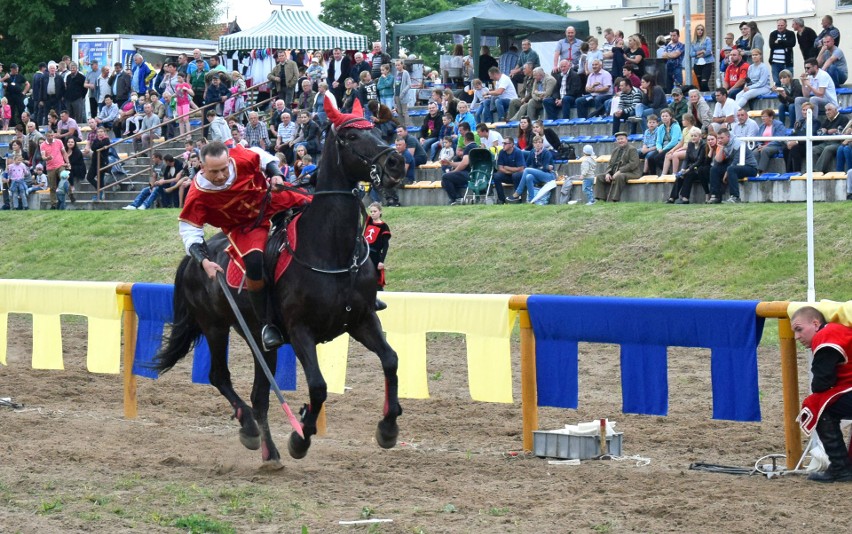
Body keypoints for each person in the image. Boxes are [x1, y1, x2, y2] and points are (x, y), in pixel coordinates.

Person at [178, 141, 310, 351]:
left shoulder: (242, 157)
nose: (221, 175)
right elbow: (190, 232)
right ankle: (267, 325)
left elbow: (264, 158)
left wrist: (276, 174)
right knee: (254, 263)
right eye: (214, 172)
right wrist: (204, 262)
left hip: (271, 199)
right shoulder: (197, 195)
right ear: (202, 167)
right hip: (245, 227)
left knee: (322, 208)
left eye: (224, 169)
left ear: (229, 160)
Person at [791, 306, 852, 483]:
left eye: (799, 329)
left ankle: (841, 468)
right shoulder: (838, 331)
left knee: (816, 405)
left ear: (816, 324)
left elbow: (821, 382)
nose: (797, 337)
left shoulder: (825, 336)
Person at [709, 127, 756, 204]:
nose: (720, 140)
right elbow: (717, 161)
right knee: (714, 169)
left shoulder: (737, 143)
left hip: (750, 168)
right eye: (718, 138)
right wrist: (721, 147)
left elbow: (735, 162)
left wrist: (726, 173)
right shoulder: (724, 144)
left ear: (728, 137)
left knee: (731, 169)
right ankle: (715, 196)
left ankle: (735, 197)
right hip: (734, 167)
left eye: (722, 138)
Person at [593, 131, 641, 202]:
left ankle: (614, 199)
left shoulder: (632, 149)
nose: (620, 141)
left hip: (632, 173)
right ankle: (600, 199)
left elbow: (633, 164)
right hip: (615, 172)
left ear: (626, 139)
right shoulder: (615, 150)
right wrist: (608, 173)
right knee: (600, 177)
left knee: (619, 176)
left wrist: (620, 171)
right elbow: (610, 164)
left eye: (622, 139)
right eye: (618, 139)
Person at [506, 135, 555, 204]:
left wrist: (537, 169)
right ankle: (531, 200)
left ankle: (518, 192)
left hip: (549, 175)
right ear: (533, 144)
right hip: (539, 174)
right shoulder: (532, 152)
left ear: (542, 143)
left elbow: (545, 169)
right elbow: (527, 164)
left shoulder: (546, 153)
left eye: (539, 142)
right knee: (529, 177)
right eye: (535, 142)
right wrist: (539, 168)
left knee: (527, 170)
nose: (538, 144)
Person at [672, 130, 715, 204]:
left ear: (700, 137)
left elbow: (700, 161)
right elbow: (686, 159)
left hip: (699, 168)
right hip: (692, 167)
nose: (693, 137)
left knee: (688, 174)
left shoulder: (703, 145)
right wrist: (683, 169)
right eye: (692, 136)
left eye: (695, 136)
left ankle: (685, 198)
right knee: (680, 176)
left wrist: (688, 169)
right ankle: (672, 197)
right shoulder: (690, 144)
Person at [795, 57, 838, 121]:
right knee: (798, 99)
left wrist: (809, 85)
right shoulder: (810, 76)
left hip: (829, 102)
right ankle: (799, 123)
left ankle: (813, 122)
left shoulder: (823, 75)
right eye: (805, 68)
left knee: (813, 99)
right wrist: (803, 83)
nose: (806, 70)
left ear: (815, 67)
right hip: (818, 102)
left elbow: (820, 94)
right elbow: (806, 95)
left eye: (808, 68)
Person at [440, 131, 477, 205]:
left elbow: (464, 163)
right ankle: (458, 197)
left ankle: (455, 199)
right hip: (474, 174)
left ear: (465, 139)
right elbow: (463, 163)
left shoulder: (468, 148)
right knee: (444, 182)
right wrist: (450, 163)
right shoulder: (476, 146)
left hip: (469, 174)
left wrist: (454, 171)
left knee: (445, 177)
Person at [784, 101, 820, 173]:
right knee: (785, 149)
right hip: (800, 143)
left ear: (811, 111)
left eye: (807, 110)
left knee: (795, 148)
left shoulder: (816, 122)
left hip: (809, 144)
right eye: (803, 110)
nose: (804, 112)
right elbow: (794, 133)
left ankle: (797, 171)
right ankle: (788, 172)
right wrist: (789, 141)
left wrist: (796, 142)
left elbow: (811, 133)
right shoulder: (800, 121)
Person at [39, 130, 70, 210]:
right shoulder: (42, 145)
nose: (50, 137)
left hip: (60, 165)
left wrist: (68, 162)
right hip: (50, 167)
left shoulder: (59, 142)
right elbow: (43, 157)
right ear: (46, 136)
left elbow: (64, 152)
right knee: (52, 187)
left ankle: (62, 202)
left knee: (63, 181)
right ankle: (53, 204)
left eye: (52, 135)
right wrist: (47, 158)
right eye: (49, 136)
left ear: (53, 135)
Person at [364, 202, 391, 290]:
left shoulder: (384, 226)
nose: (372, 213)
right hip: (364, 253)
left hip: (375, 255)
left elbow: (385, 245)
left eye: (375, 211)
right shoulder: (369, 221)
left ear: (380, 212)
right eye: (371, 211)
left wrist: (381, 261)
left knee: (376, 279)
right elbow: (362, 211)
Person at [491, 136, 525, 204]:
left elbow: (521, 168)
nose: (503, 145)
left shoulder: (518, 152)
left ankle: (517, 198)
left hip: (518, 176)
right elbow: (500, 168)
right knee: (496, 176)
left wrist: (507, 167)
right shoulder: (501, 152)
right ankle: (502, 200)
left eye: (505, 143)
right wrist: (510, 171)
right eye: (503, 143)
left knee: (516, 175)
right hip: (508, 175)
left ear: (511, 144)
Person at [650, 108, 681, 176]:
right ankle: (653, 176)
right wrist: (659, 148)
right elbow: (658, 141)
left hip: (674, 146)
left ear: (670, 117)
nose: (664, 118)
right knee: (650, 158)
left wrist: (663, 150)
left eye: (666, 116)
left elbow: (674, 141)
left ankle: (667, 173)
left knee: (657, 158)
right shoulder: (660, 127)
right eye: (663, 116)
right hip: (663, 147)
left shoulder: (676, 126)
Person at [754, 109, 786, 174]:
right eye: (762, 116)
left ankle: (761, 171)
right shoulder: (762, 126)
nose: (762, 118)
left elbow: (779, 139)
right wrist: (759, 145)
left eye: (765, 116)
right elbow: (758, 138)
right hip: (763, 146)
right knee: (755, 152)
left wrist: (766, 146)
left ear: (771, 117)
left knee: (765, 150)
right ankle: (754, 171)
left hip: (776, 146)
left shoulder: (779, 125)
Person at [769, 19, 796, 84]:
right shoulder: (773, 34)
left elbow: (792, 44)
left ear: (786, 25)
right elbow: (772, 45)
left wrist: (779, 41)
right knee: (777, 82)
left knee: (788, 82)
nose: (780, 27)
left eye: (782, 25)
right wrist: (785, 43)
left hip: (787, 63)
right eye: (778, 25)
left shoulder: (791, 34)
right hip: (775, 63)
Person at [690, 24, 714, 92]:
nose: (700, 31)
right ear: (696, 31)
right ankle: (704, 97)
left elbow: (709, 51)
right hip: (697, 64)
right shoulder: (693, 42)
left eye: (702, 30)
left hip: (707, 63)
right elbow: (691, 54)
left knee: (704, 83)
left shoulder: (707, 39)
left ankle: (708, 95)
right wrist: (701, 52)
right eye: (698, 29)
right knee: (700, 84)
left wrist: (701, 54)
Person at [393, 60, 412, 129]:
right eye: (396, 65)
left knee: (404, 111)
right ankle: (401, 125)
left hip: (403, 95)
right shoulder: (397, 73)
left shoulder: (405, 73)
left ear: (402, 65)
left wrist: (403, 92)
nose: (397, 67)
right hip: (397, 94)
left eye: (398, 65)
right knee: (399, 111)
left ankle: (407, 125)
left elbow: (409, 84)